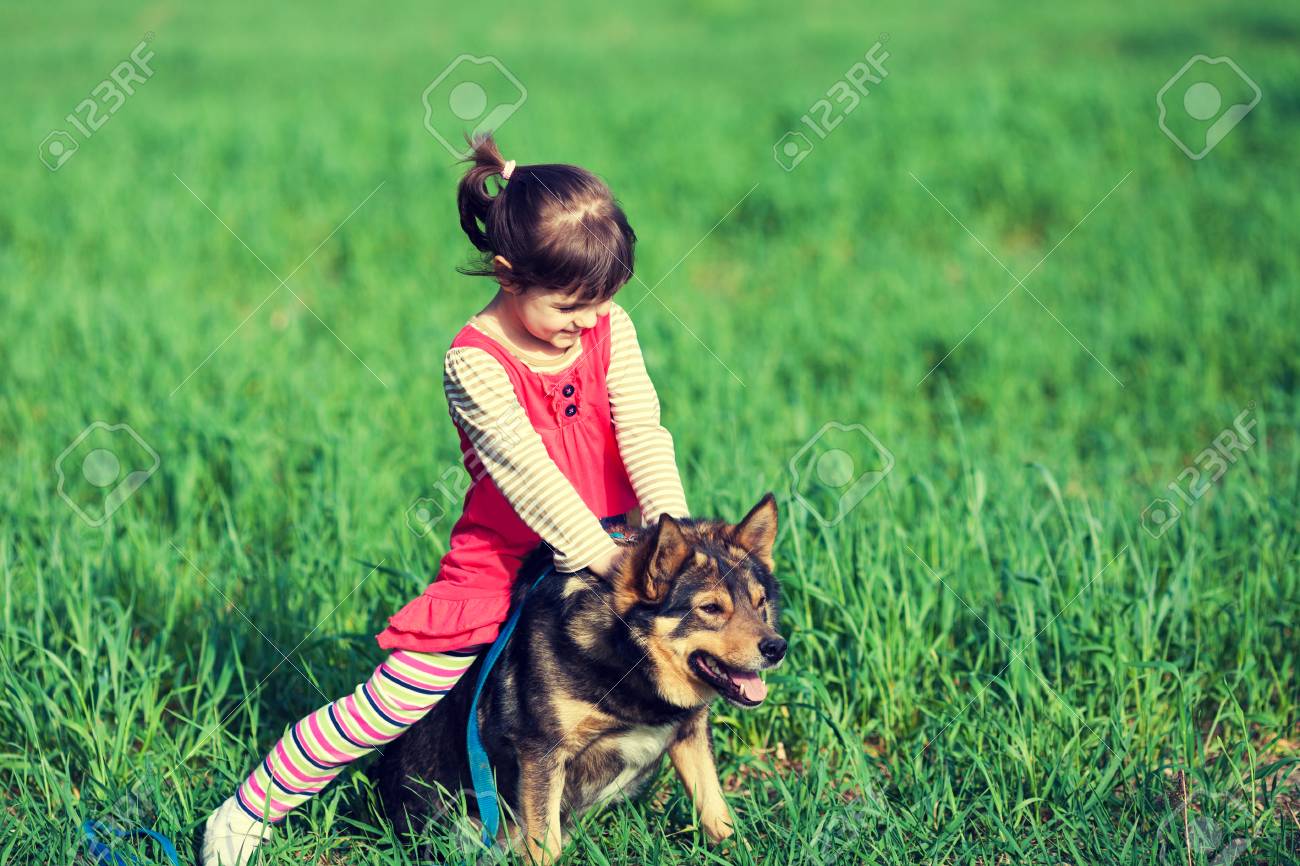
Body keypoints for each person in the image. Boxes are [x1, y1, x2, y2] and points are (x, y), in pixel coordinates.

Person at [201, 132, 690, 865]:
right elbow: (528, 476)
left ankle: (586, 803)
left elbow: (640, 424)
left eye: (603, 303)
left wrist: (670, 533)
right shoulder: (474, 360)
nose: (588, 322)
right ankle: (248, 812)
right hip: (508, 555)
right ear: (507, 273)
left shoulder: (607, 326)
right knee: (397, 699)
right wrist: (604, 559)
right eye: (569, 307)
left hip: (620, 542)